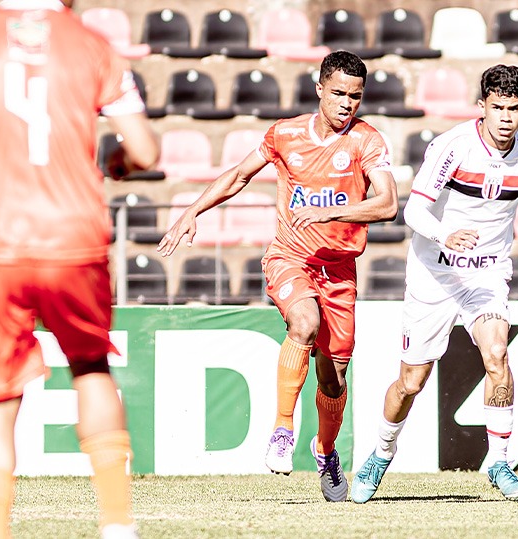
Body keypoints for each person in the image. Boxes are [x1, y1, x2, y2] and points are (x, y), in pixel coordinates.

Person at [0, 0, 159, 537]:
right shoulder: (92, 46)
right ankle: (117, 524)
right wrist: (120, 163)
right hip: (73, 237)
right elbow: (146, 152)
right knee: (90, 369)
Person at [157, 50, 398, 502]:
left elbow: (387, 204)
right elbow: (238, 175)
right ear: (319, 89)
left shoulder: (367, 141)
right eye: (339, 93)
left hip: (339, 272)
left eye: (356, 96)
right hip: (290, 257)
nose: (347, 104)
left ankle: (325, 451)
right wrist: (192, 211)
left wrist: (333, 212)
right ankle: (282, 430)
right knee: (303, 323)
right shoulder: (284, 134)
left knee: (333, 379)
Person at [350, 64, 518, 504]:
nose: (506, 118)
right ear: (481, 107)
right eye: (497, 108)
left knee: (497, 354)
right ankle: (381, 453)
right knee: (411, 382)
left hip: (486, 273)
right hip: (434, 272)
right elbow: (413, 211)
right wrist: (444, 235)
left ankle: (498, 461)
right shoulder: (453, 147)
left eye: (514, 108)